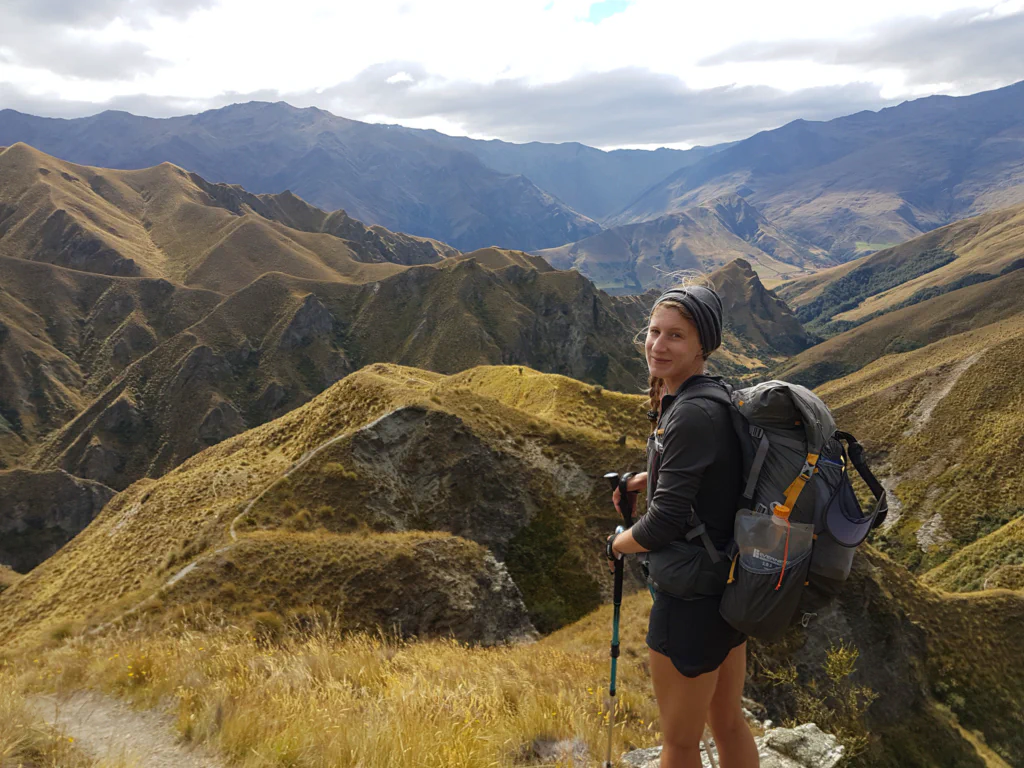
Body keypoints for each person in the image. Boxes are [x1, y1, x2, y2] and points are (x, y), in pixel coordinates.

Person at [605, 280, 759, 768]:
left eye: (675, 336)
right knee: (727, 721)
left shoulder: (689, 414)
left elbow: (663, 525)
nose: (658, 344)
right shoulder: (713, 397)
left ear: (702, 345)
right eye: (653, 332)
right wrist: (642, 479)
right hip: (726, 587)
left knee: (679, 742)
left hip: (689, 598)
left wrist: (617, 545)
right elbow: (702, 472)